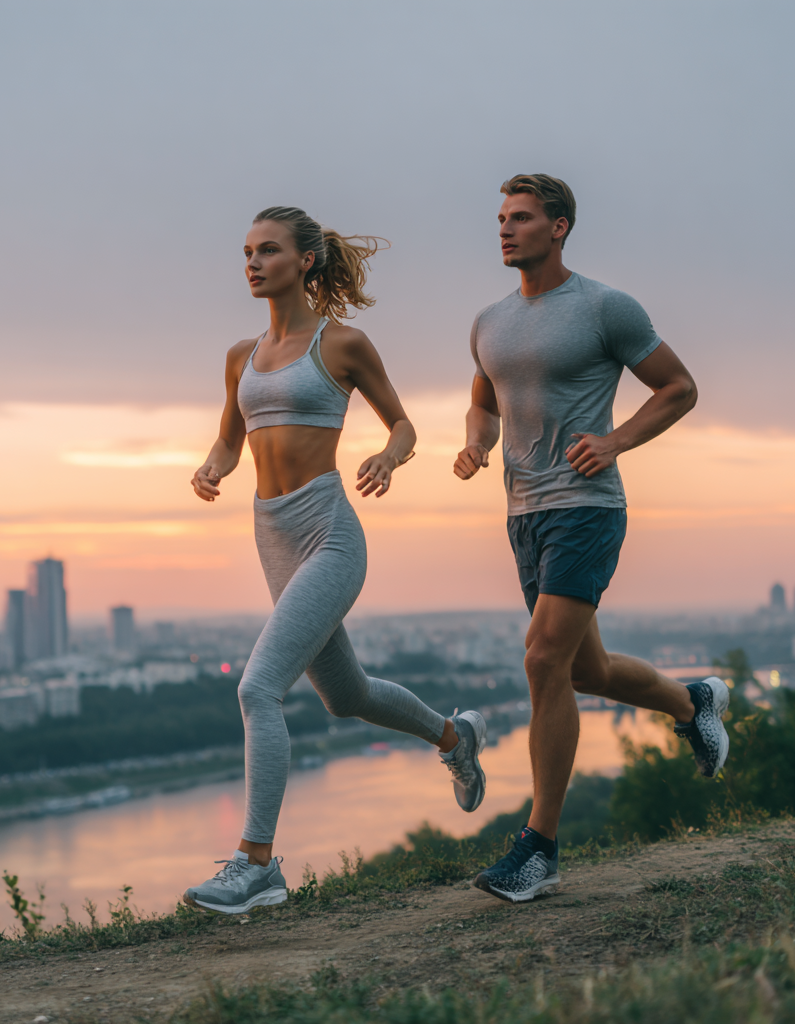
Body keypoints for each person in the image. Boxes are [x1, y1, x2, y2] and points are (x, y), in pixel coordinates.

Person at [184, 206, 487, 914]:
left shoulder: (342, 344)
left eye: (269, 251)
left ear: (306, 261)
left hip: (329, 534)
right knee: (345, 696)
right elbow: (230, 439)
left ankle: (257, 865)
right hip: (272, 535)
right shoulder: (241, 356)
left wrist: (388, 454)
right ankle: (456, 735)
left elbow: (404, 424)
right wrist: (211, 467)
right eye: (247, 252)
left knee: (258, 688)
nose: (253, 263)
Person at [453, 174, 730, 904]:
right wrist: (477, 447)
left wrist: (615, 441)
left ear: (560, 226)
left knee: (543, 659)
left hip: (586, 506)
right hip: (523, 515)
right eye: (501, 219)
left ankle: (537, 848)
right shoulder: (488, 321)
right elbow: (483, 402)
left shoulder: (605, 307)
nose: (506, 230)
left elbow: (678, 387)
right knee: (582, 672)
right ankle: (690, 699)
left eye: (521, 218)